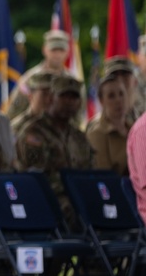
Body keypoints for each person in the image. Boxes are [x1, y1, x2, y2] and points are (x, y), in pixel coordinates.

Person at [15, 74, 94, 231]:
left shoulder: (79, 137)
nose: (69, 102)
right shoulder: (34, 132)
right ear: (51, 98)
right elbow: (35, 176)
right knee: (76, 210)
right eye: (64, 96)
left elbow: (90, 171)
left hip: (79, 196)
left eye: (74, 97)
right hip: (45, 199)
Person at [6, 30, 70, 119]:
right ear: (44, 50)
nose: (58, 55)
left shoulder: (71, 81)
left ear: (67, 52)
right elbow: (13, 113)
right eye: (54, 50)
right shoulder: (30, 79)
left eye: (61, 50)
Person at [87, 71, 133, 176]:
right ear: (101, 100)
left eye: (121, 94)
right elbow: (105, 175)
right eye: (111, 96)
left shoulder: (134, 128)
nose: (118, 100)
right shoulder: (97, 133)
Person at [10, 70, 53, 137]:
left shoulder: (61, 126)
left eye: (52, 95)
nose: (48, 100)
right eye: (44, 94)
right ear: (31, 97)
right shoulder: (17, 128)